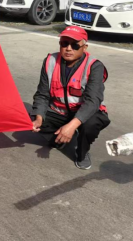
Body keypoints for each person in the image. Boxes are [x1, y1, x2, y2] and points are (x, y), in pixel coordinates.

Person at [31, 26, 110, 170]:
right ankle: (61, 137)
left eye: (75, 45)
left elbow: (93, 101)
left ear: (84, 47)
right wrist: (39, 118)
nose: (68, 48)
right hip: (59, 111)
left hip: (86, 112)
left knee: (91, 125)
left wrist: (72, 125)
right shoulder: (50, 61)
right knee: (32, 118)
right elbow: (42, 94)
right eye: (64, 43)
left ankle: (82, 152)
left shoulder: (94, 66)